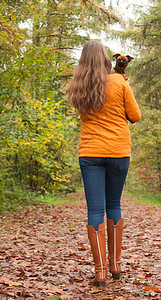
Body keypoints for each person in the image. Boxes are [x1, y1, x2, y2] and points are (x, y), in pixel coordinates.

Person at [66, 41, 141, 286]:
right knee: (114, 205)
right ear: (107, 60)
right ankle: (116, 267)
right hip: (119, 152)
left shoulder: (80, 85)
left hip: (89, 154)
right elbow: (136, 116)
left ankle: (100, 273)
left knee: (95, 210)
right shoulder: (119, 82)